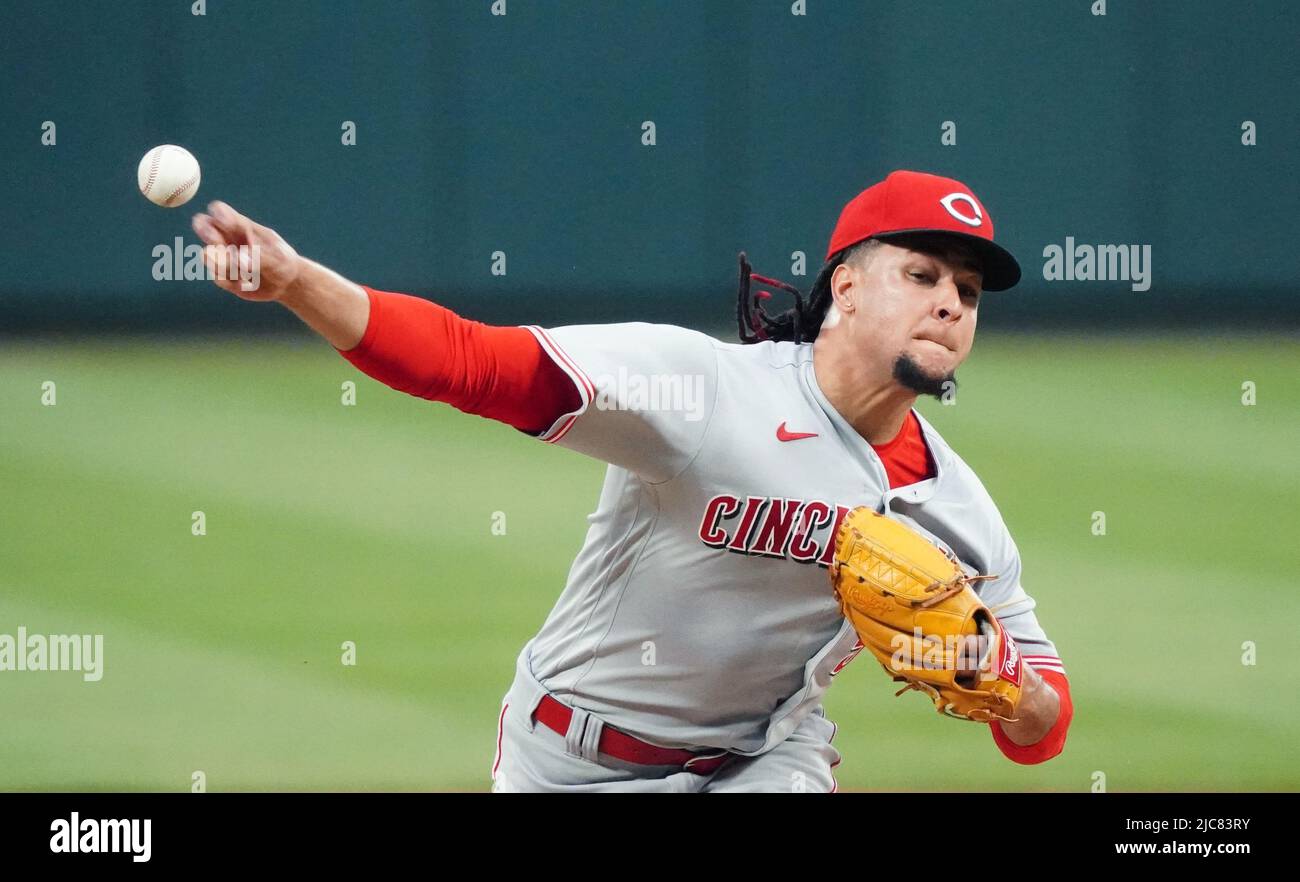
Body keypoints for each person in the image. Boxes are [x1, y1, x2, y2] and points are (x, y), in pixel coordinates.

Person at [192, 169, 1073, 793]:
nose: (951, 303)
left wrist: (1003, 683)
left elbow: (1044, 724)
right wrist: (298, 281)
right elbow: (467, 362)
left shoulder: (958, 510)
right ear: (844, 284)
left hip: (766, 761)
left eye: (968, 289)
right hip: (571, 759)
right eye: (921, 275)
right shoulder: (704, 392)